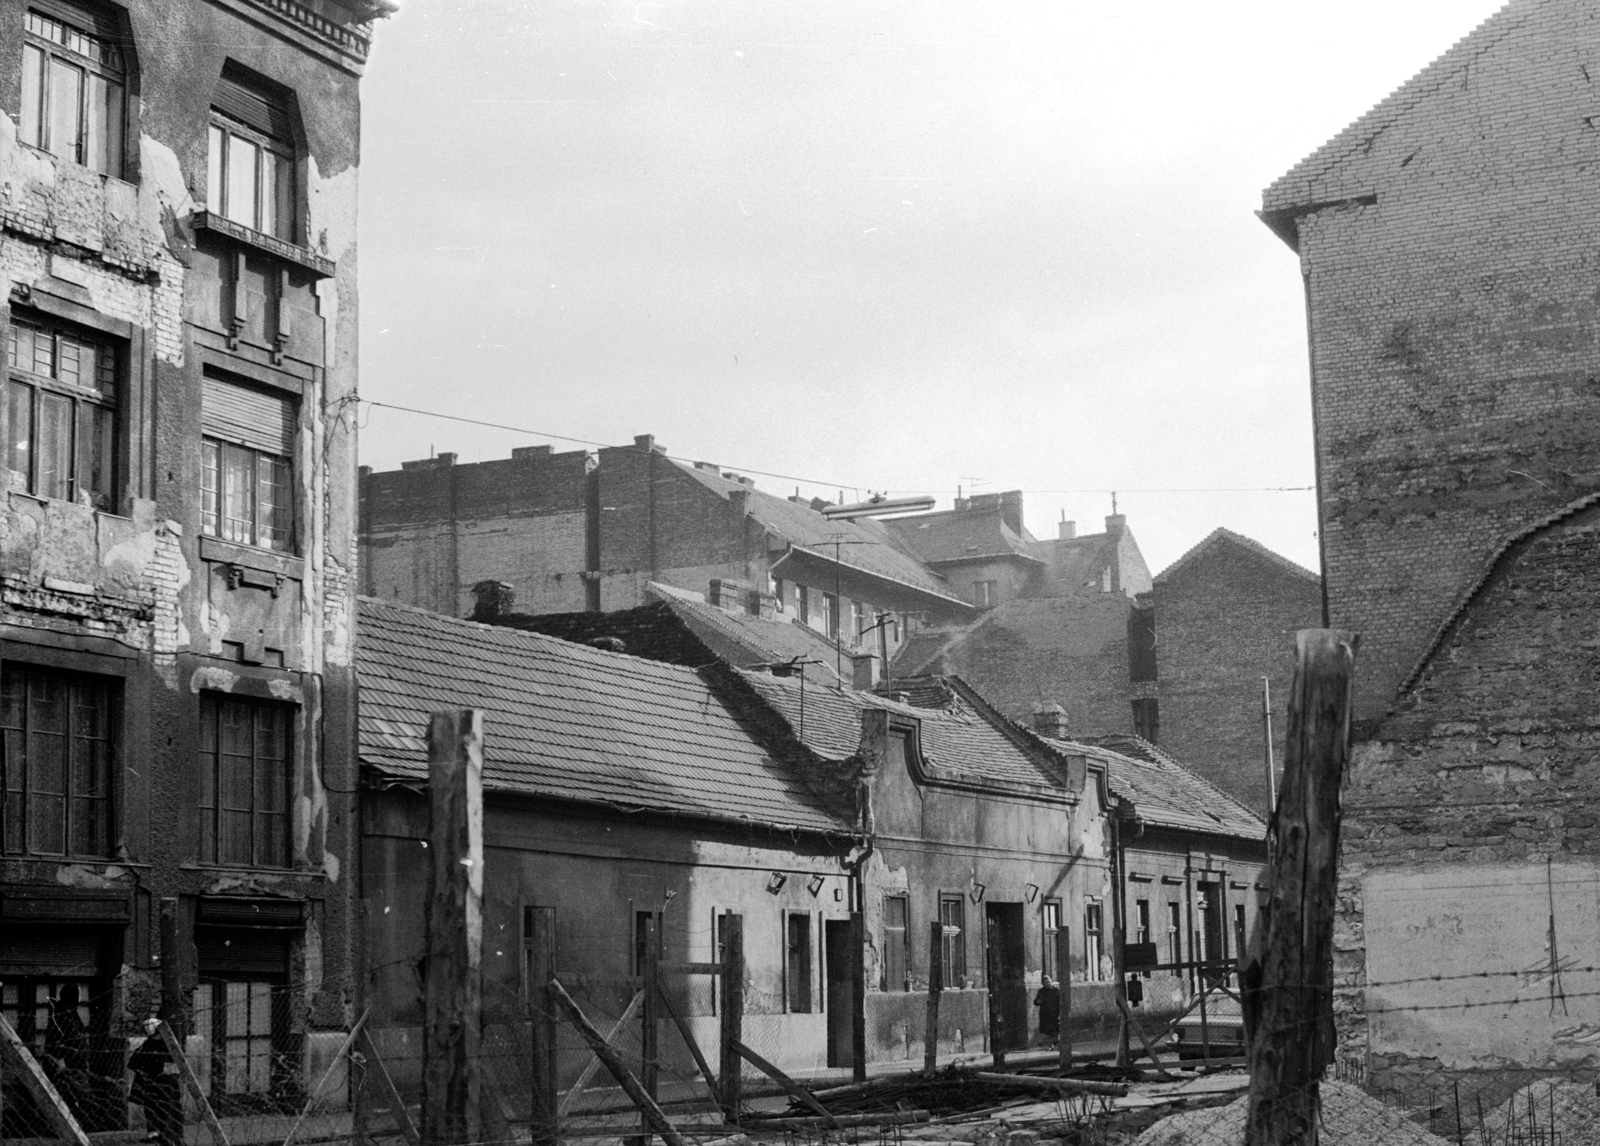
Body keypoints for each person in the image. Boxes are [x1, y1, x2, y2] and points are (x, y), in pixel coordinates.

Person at [127, 1017, 183, 1146]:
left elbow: (134, 1063)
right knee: (154, 1106)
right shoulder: (151, 1044)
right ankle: (157, 1133)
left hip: (158, 1081)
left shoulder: (157, 1045)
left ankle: (160, 1133)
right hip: (154, 1081)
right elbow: (133, 1062)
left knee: (157, 1106)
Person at [1033, 975, 1061, 1047]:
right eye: (1046, 982)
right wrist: (1037, 1001)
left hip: (1055, 1014)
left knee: (1056, 1029)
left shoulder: (1056, 990)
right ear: (1043, 984)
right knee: (1047, 1031)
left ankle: (1056, 1043)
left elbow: (1060, 1001)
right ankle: (1050, 1045)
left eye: (1049, 982)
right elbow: (1036, 1001)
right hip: (1045, 1014)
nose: (1048, 983)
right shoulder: (1041, 991)